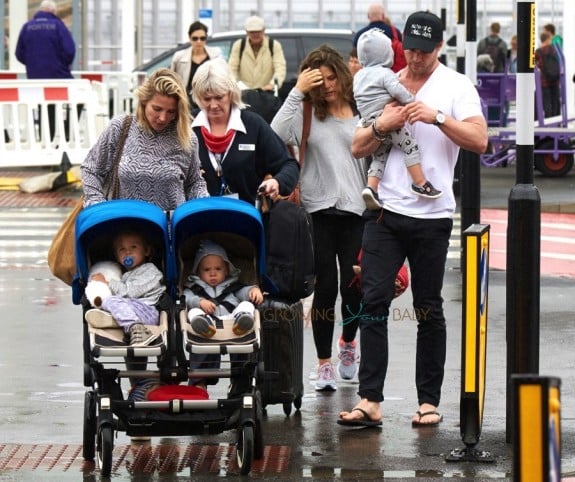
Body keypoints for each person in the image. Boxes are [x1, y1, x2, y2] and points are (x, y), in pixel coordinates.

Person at [338, 10, 487, 427]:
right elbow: (357, 145)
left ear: (439, 48)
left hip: (433, 216)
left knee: (428, 308)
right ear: (403, 47)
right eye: (412, 50)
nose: (417, 59)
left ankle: (428, 402)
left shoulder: (455, 85)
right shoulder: (386, 79)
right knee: (373, 304)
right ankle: (370, 399)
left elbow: (479, 139)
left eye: (426, 51)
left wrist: (436, 117)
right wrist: (384, 125)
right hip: (384, 212)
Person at [271, 45, 367, 390]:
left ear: (342, 75)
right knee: (326, 286)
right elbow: (275, 133)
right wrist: (298, 92)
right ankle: (324, 361)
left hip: (358, 209)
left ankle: (348, 344)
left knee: (354, 287)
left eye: (330, 77)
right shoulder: (308, 112)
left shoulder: (362, 108)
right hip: (319, 210)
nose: (327, 85)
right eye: (318, 80)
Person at [82, 67, 209, 210]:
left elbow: (194, 183)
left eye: (171, 112)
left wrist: (205, 206)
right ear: (143, 102)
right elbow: (91, 169)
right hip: (124, 226)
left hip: (168, 229)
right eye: (157, 109)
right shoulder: (120, 128)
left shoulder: (186, 138)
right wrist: (97, 204)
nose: (162, 118)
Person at [354, 28, 441, 211]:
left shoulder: (359, 76)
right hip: (387, 118)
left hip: (368, 121)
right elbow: (397, 91)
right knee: (410, 147)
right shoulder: (385, 74)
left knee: (380, 156)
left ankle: (371, 188)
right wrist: (411, 99)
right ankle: (420, 182)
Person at [190, 58, 299, 205]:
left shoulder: (253, 125)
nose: (213, 105)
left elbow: (289, 165)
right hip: (197, 220)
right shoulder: (188, 127)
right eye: (206, 99)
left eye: (219, 97)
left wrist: (277, 182)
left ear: (230, 93)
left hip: (246, 219)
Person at [85, 229, 166, 347]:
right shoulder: (123, 276)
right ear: (117, 257)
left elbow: (130, 292)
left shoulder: (151, 270)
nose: (128, 252)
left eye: (133, 247)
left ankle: (135, 327)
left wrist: (107, 283)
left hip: (147, 311)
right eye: (122, 249)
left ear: (147, 251)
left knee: (110, 301)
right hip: (133, 309)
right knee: (110, 303)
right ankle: (118, 322)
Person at [15, 0, 76, 142]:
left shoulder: (27, 27)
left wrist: (32, 64)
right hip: (58, 75)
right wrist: (61, 64)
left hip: (35, 76)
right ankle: (65, 133)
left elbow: (19, 53)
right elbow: (69, 51)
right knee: (77, 98)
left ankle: (45, 138)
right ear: (53, 12)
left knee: (44, 106)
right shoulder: (58, 26)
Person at [184, 240, 263, 338]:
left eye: (218, 269)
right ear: (198, 272)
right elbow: (185, 297)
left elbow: (243, 292)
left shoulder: (233, 286)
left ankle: (242, 321)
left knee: (247, 305)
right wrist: (199, 302)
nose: (213, 274)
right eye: (207, 269)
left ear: (226, 270)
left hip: (232, 321)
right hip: (208, 319)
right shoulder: (194, 288)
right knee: (193, 312)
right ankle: (204, 326)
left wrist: (253, 290)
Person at [170, 21, 222, 110]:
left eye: (202, 38)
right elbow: (172, 81)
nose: (199, 41)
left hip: (210, 102)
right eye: (195, 38)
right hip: (187, 104)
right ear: (189, 38)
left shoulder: (215, 55)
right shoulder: (179, 57)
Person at [228, 15, 287, 92]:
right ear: (246, 31)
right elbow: (232, 68)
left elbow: (280, 68)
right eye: (252, 32)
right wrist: (234, 85)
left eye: (258, 31)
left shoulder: (274, 45)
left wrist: (272, 85)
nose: (255, 35)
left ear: (263, 30)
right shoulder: (239, 45)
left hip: (266, 93)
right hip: (244, 93)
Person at [535, 31, 561, 118]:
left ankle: (548, 121)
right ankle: (556, 120)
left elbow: (535, 65)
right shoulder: (555, 50)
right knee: (555, 101)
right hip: (555, 80)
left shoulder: (538, 52)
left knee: (546, 102)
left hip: (544, 81)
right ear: (548, 39)